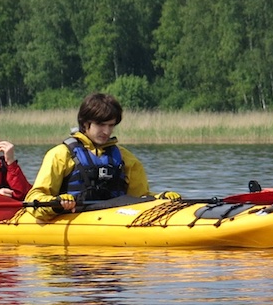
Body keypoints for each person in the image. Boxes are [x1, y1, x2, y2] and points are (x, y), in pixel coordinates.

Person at [27, 92, 172, 214]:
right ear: (85, 123)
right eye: (101, 125)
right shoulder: (60, 155)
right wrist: (56, 202)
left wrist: (160, 197)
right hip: (72, 216)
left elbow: (140, 197)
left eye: (111, 125)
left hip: (114, 217)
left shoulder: (126, 158)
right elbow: (35, 197)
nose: (107, 132)